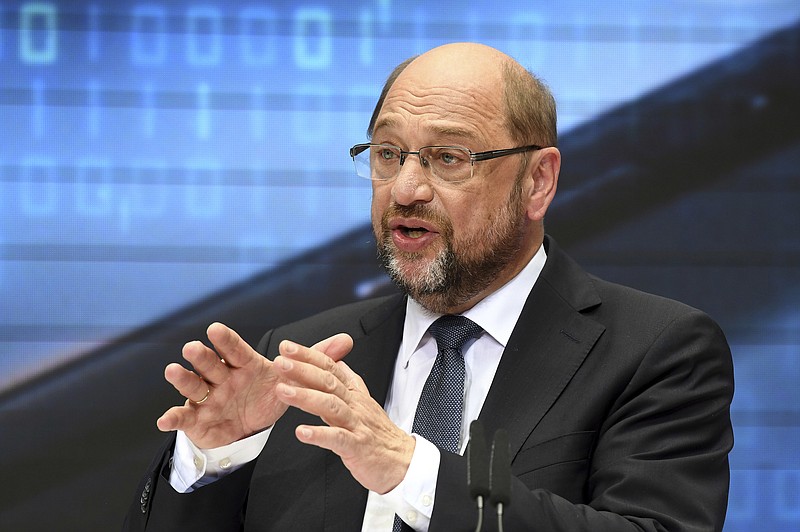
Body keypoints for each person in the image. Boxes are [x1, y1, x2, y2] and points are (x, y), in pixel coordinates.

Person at [124, 42, 734, 531]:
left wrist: (410, 470)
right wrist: (211, 462)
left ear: (538, 182)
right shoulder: (301, 357)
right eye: (388, 153)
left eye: (447, 158)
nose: (406, 188)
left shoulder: (655, 351)